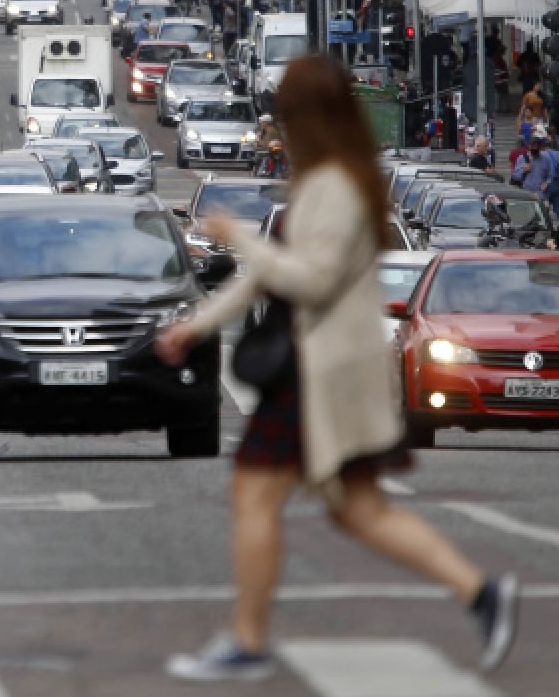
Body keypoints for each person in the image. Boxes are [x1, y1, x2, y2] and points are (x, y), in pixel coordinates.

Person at [157, 55, 518, 682]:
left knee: (257, 492)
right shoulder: (334, 178)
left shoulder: (335, 185)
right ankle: (480, 592)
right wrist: (196, 324)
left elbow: (308, 279)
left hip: (316, 368)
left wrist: (236, 239)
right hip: (324, 363)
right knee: (358, 509)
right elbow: (270, 272)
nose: (278, 124)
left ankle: (247, 639)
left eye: (286, 112)